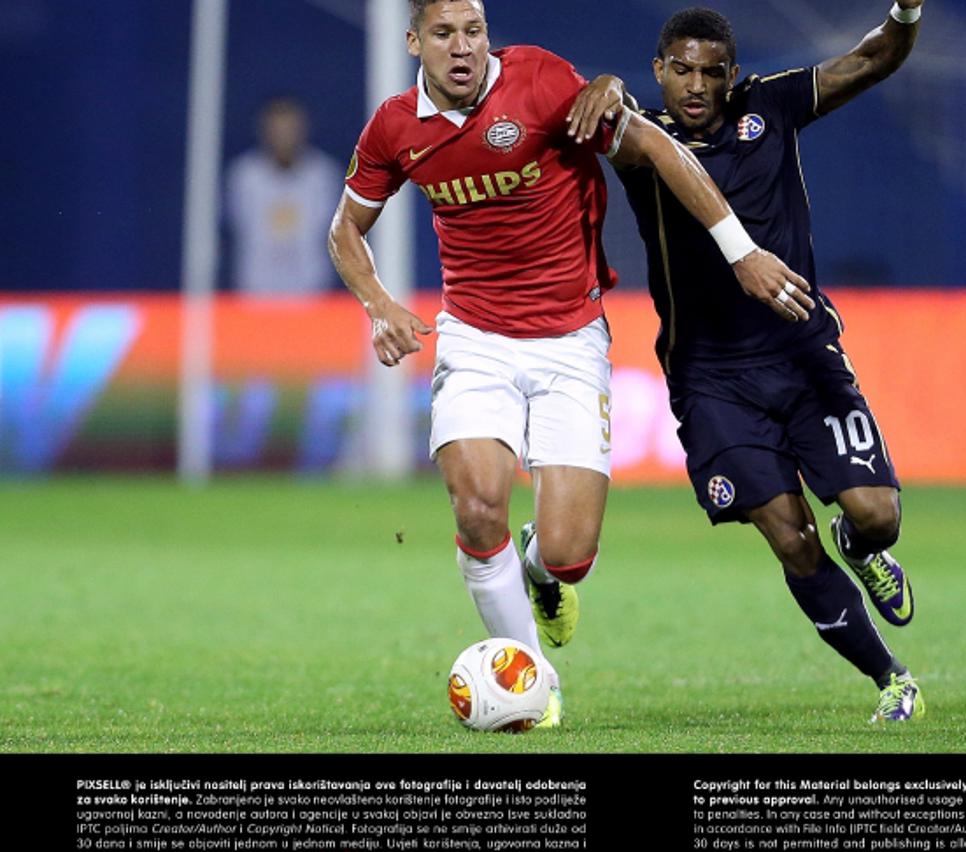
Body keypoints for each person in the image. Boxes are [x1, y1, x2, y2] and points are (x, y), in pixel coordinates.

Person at [327, 0, 814, 727]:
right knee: (478, 504)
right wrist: (379, 304)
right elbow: (345, 230)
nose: (462, 49)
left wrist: (740, 251)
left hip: (569, 339)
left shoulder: (543, 82)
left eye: (473, 32)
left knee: (569, 554)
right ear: (413, 42)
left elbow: (660, 149)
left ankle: (540, 568)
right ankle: (535, 683)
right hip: (475, 336)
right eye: (443, 34)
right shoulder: (395, 128)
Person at [581, 2, 927, 722]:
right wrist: (608, 85)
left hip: (803, 354)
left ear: (732, 75)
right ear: (660, 71)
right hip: (711, 378)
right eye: (681, 71)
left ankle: (862, 551)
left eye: (711, 73)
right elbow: (601, 113)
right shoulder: (644, 143)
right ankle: (892, 681)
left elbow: (871, 58)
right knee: (788, 535)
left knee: (878, 516)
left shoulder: (769, 105)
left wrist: (906, 11)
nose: (696, 86)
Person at [226, 97, 342, 296]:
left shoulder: (323, 176)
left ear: (302, 129)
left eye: (289, 128)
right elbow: (238, 226)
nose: (284, 136)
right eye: (277, 129)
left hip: (311, 291)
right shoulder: (245, 176)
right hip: (255, 291)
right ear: (265, 131)